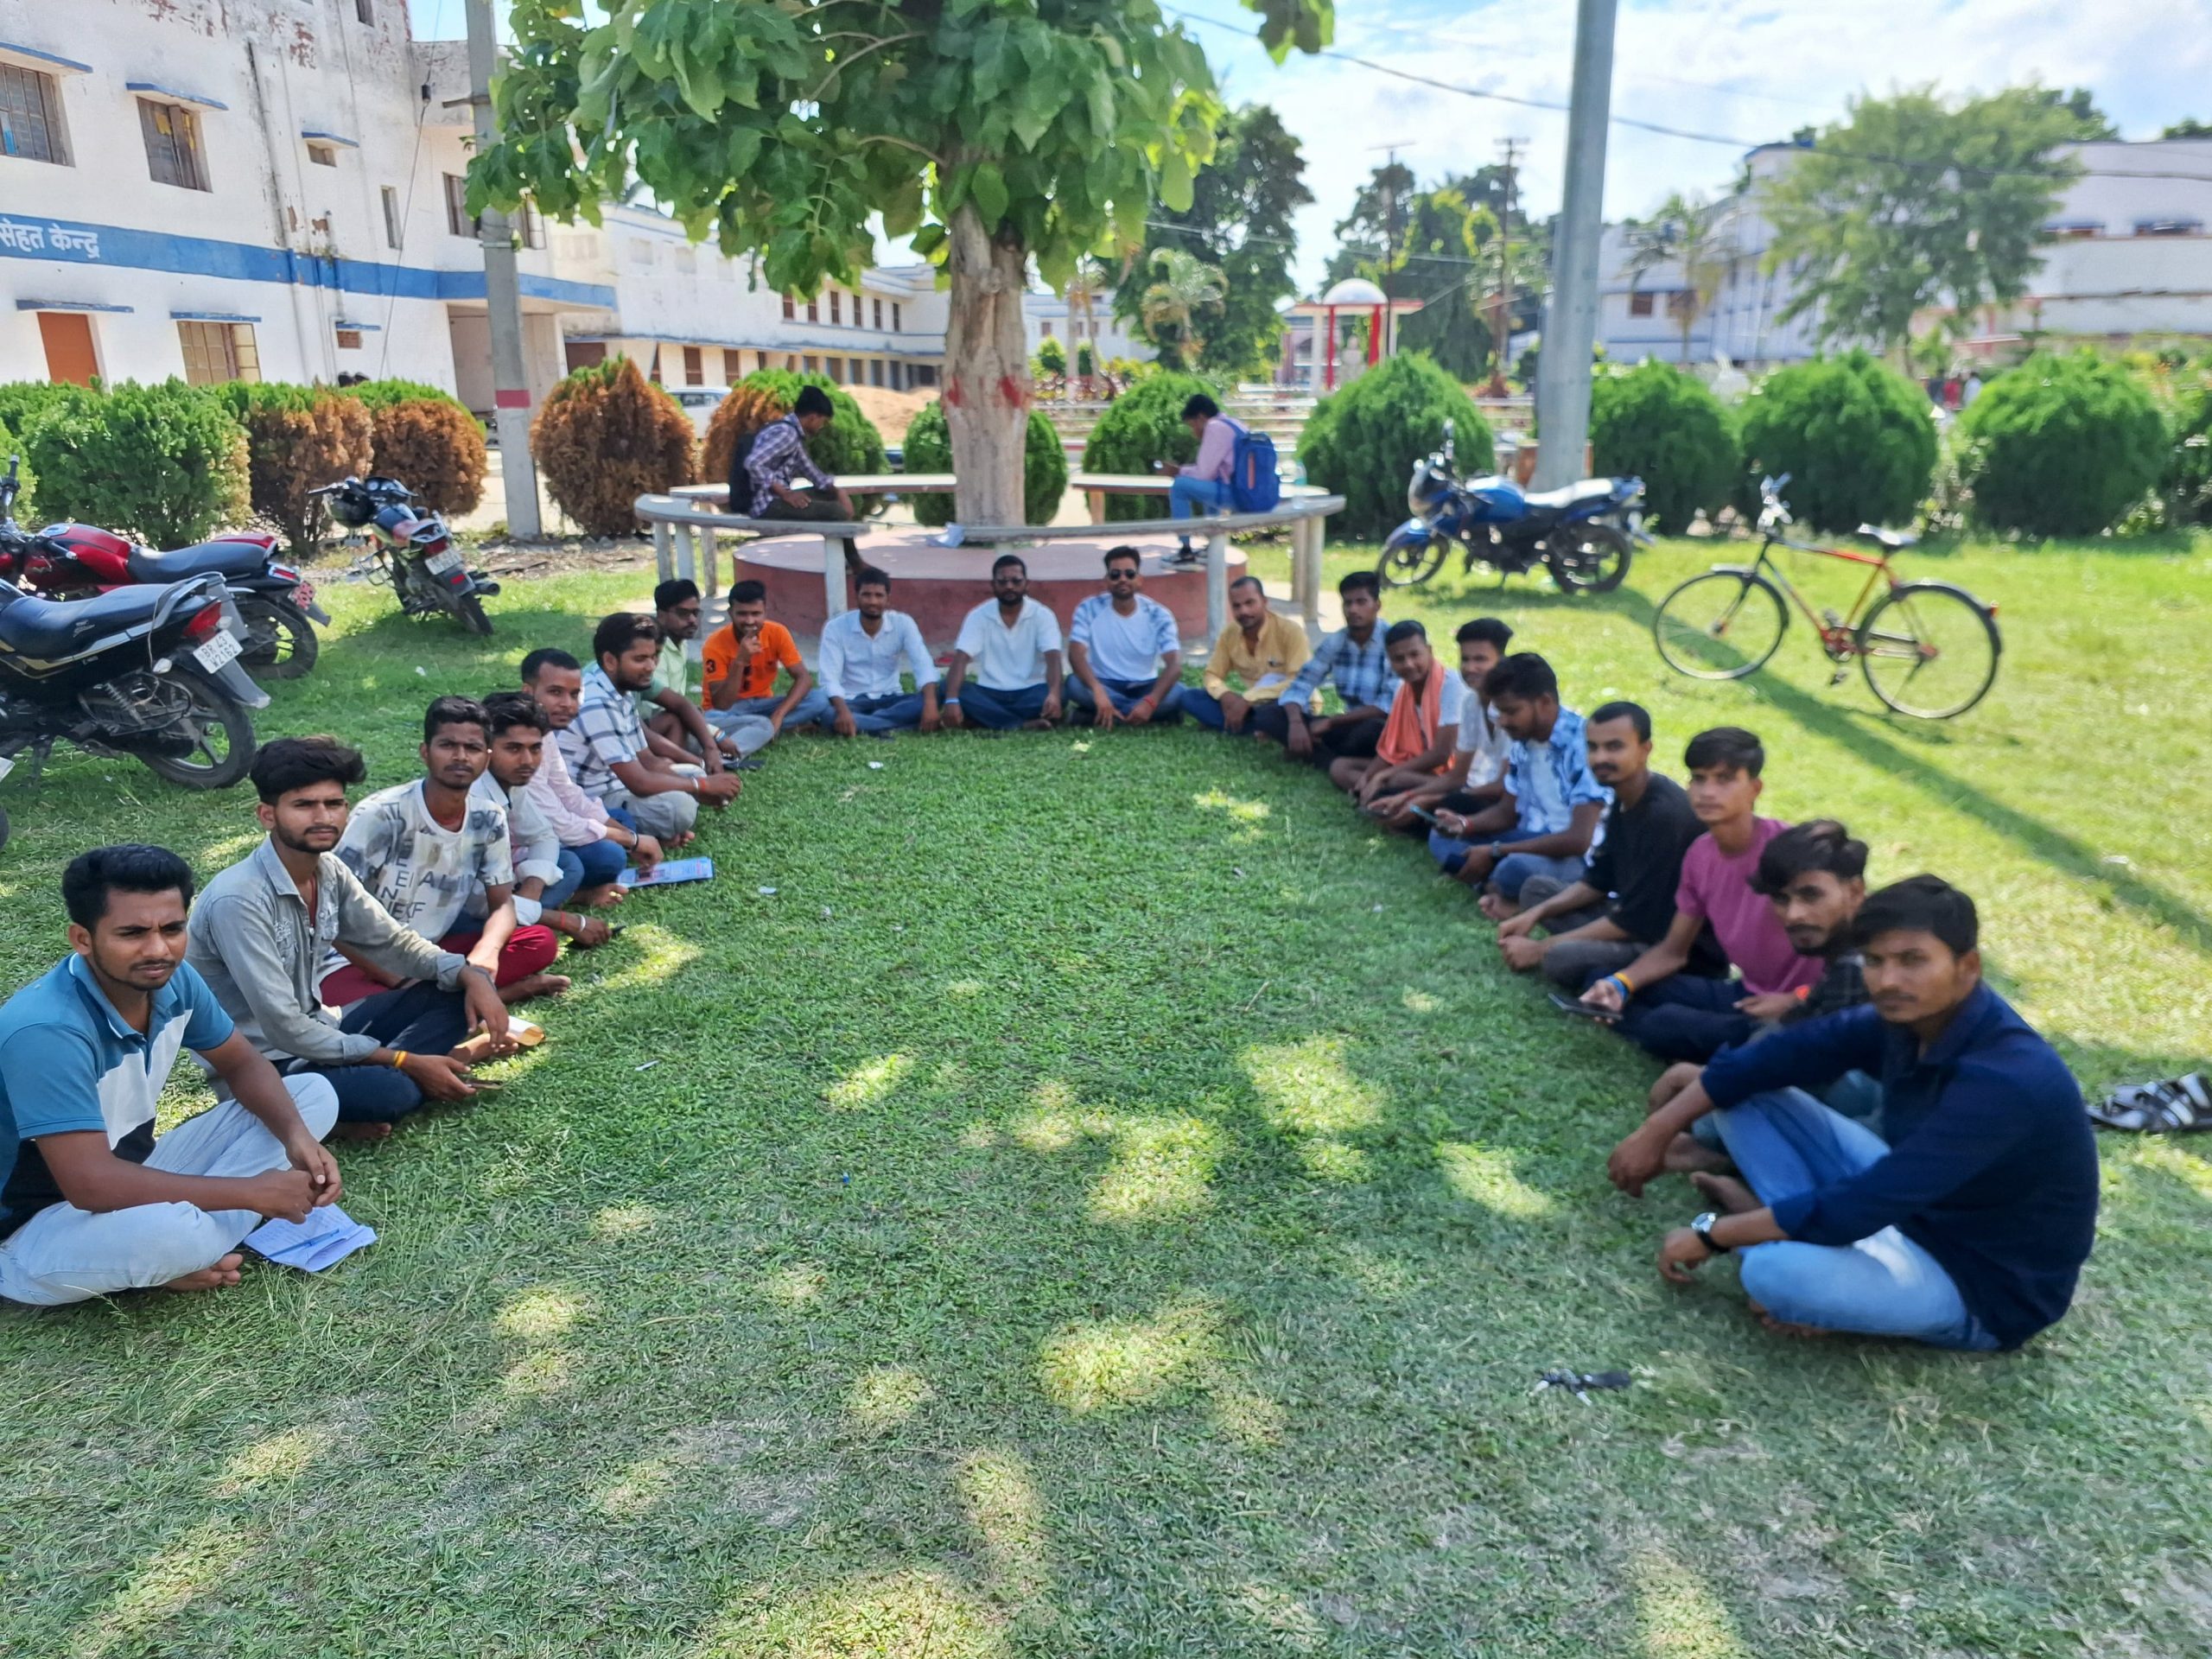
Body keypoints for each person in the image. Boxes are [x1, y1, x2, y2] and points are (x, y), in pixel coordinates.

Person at [1609, 876, 2099, 1351]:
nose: (1888, 981)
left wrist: (1711, 1235)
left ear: (1967, 966)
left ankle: (1786, 1245)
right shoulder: (1903, 1020)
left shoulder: (2005, 1080)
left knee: (1771, 1275)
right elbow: (1771, 1058)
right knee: (1749, 1093)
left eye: (1913, 960)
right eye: (1875, 961)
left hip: (1975, 1283)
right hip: (1907, 1212)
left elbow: (1862, 1206)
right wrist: (1658, 1129)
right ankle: (1785, 1234)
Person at [0, 846, 343, 1305]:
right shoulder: (47, 1030)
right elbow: (90, 1185)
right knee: (179, 1236)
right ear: (82, 939)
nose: (158, 950)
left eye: (172, 929)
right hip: (29, 1227)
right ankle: (183, 1252)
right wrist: (250, 1193)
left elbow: (242, 1063)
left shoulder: (172, 980)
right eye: (132, 933)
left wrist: (296, 1139)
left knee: (311, 1095)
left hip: (133, 1173)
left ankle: (178, 1251)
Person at [188, 737, 505, 1136]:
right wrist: (402, 1060)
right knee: (394, 1093)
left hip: (325, 1029)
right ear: (267, 815)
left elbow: (393, 943)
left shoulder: (329, 871)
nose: (324, 817)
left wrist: (469, 973)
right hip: (264, 1066)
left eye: (334, 803)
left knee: (455, 990)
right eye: (304, 805)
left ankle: (391, 1081)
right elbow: (284, 1026)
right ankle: (388, 1084)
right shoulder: (239, 900)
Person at [1578, 728, 1823, 1063]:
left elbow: (1851, 963)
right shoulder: (1699, 855)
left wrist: (1798, 999)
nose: (1707, 792)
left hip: (1806, 1007)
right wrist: (1620, 984)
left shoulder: (1790, 850)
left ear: (1754, 788)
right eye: (1699, 778)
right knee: (1600, 979)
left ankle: (1723, 1044)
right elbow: (1672, 952)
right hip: (1745, 993)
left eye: (1724, 779)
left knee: (1667, 1024)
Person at [317, 696, 567, 1008]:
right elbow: (329, 913)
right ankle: (494, 996)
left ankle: (445, 1000)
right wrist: (398, 980)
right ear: (425, 752)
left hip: (430, 954)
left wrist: (487, 952)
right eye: (448, 745)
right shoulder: (381, 815)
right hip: (354, 961)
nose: (460, 757)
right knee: (360, 1014)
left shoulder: (488, 817)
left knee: (539, 942)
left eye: (473, 748)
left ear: (486, 758)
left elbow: (502, 903)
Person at [1497, 701, 1721, 991]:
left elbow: (1636, 922)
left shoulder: (1663, 816)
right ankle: (1593, 964)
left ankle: (1614, 976)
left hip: (1670, 946)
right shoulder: (1624, 796)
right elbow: (1599, 880)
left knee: (1559, 959)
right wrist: (1534, 915)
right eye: (1593, 747)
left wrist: (1541, 948)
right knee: (1536, 890)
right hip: (1632, 919)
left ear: (1645, 749)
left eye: (1614, 747)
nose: (1600, 758)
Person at [1426, 652, 1607, 917]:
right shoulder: (1522, 740)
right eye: (1500, 711)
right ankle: (1497, 887)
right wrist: (1465, 824)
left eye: (1511, 711)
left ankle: (1497, 884)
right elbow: (1506, 812)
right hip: (1528, 839)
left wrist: (1496, 850)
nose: (1503, 721)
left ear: (1544, 702)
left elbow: (1578, 840)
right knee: (1441, 836)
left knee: (1513, 869)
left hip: (1578, 857)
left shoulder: (1584, 745)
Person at [563, 613, 741, 843]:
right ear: (610, 661)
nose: (651, 667)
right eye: (640, 659)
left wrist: (700, 782)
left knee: (694, 773)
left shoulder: (620, 690)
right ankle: (636, 833)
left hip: (617, 783)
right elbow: (639, 782)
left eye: (654, 657)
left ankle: (655, 829)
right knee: (680, 808)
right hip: (593, 798)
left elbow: (649, 761)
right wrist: (701, 787)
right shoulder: (596, 702)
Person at [475, 692, 614, 954]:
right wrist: (566, 921)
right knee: (541, 945)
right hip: (463, 906)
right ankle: (522, 923)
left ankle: (525, 917)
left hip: (505, 884)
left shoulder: (512, 783)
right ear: (485, 748)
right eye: (513, 749)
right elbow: (474, 899)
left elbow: (544, 835)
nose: (528, 761)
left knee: (568, 864)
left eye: (535, 748)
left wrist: (532, 887)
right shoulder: (473, 799)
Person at [519, 647, 664, 899]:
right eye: (555, 692)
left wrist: (628, 835)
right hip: (522, 845)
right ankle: (579, 894)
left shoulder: (544, 731)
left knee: (620, 819)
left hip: (549, 829)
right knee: (608, 856)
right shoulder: (521, 744)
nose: (567, 704)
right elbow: (559, 822)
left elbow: (568, 792)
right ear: (528, 693)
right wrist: (632, 841)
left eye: (575, 694)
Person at [1251, 571, 1396, 765]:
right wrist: (1296, 723)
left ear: (1377, 606)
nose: (1353, 610)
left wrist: (1330, 722)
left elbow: (1387, 707)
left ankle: (1322, 756)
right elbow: (1301, 685)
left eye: (1361, 602)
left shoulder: (1394, 641)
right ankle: (1329, 756)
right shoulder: (1336, 641)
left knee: (1374, 730)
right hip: (1346, 726)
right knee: (1268, 714)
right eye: (1348, 603)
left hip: (1383, 727)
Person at [1339, 620, 1462, 820]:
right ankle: (1377, 793)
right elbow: (1391, 747)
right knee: (1341, 768)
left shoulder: (1452, 685)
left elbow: (1442, 753)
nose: (1408, 664)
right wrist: (1368, 776)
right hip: (1417, 767)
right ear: (1389, 660)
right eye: (1399, 659)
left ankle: (1388, 795)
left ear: (1429, 651)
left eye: (1415, 655)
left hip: (1452, 775)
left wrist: (1383, 775)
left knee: (1397, 778)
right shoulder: (1402, 689)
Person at [737, 384, 861, 573]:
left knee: (833, 499)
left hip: (775, 499)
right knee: (836, 512)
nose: (821, 427)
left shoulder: (792, 434)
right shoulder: (786, 434)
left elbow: (812, 473)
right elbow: (753, 463)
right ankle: (856, 563)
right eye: (822, 422)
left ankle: (851, 561)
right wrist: (785, 493)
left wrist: (839, 493)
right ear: (813, 417)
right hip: (766, 504)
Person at [646, 578, 771, 761]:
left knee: (762, 724)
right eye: (683, 613)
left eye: (695, 613)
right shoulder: (653, 652)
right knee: (755, 725)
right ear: (661, 615)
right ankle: (720, 758)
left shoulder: (680, 643)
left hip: (687, 719)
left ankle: (721, 756)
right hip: (664, 730)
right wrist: (715, 734)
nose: (692, 620)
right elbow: (663, 711)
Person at [941, 555, 1065, 731]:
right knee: (949, 689)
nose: (1009, 586)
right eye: (1002, 581)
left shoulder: (1042, 615)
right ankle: (1021, 724)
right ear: (993, 584)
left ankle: (987, 720)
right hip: (990, 692)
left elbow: (1053, 658)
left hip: (1031, 691)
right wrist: (952, 700)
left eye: (1016, 581)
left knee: (1062, 692)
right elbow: (961, 659)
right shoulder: (979, 615)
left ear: (1027, 584)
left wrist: (1053, 695)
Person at [1066, 545, 1186, 728]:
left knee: (1180, 693)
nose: (1122, 579)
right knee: (1074, 684)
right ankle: (1152, 717)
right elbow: (1075, 654)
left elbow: (1174, 665)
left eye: (1130, 574)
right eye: (1115, 575)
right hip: (1104, 684)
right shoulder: (1088, 608)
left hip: (1145, 687)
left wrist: (1151, 702)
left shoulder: (1158, 614)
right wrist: (1098, 691)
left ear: (1139, 579)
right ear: (1107, 580)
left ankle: (1097, 717)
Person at [701, 581, 835, 740]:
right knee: (709, 719)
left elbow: (804, 679)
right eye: (742, 614)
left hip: (764, 703)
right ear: (731, 613)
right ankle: (773, 727)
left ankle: (764, 725)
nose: (750, 621)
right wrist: (740, 661)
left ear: (765, 612)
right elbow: (721, 704)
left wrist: (779, 714)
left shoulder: (777, 632)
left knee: (819, 698)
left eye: (756, 614)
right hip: (729, 711)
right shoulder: (714, 643)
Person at [817, 565, 941, 736]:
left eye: (879, 595)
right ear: (857, 596)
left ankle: (864, 725)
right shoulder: (835, 627)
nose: (873, 602)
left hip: (891, 699)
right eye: (866, 595)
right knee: (827, 713)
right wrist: (843, 712)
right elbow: (829, 679)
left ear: (888, 598)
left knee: (934, 698)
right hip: (851, 701)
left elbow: (923, 665)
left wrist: (930, 704)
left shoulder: (903, 623)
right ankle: (892, 727)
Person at [1180, 574, 1311, 734]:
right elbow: (1212, 674)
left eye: (1250, 603)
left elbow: (1300, 683)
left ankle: (1245, 725)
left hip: (1288, 703)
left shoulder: (1290, 632)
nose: (1244, 611)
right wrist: (1225, 695)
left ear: (1264, 602)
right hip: (1253, 706)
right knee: (1190, 697)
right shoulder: (1230, 634)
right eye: (1237, 606)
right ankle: (1257, 727)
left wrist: (1248, 698)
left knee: (1279, 701)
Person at [1164, 391, 1243, 563]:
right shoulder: (1234, 423)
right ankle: (1212, 546)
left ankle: (1185, 550)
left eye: (1192, 425)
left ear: (1201, 417)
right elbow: (1211, 473)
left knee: (1179, 487)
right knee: (1211, 484)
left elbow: (1204, 474)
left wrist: (1178, 471)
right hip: (1246, 491)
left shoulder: (1214, 427)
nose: (1193, 432)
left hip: (1235, 494)